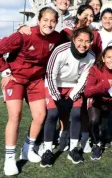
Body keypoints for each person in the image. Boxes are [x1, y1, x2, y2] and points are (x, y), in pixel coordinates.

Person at [0, 7, 62, 176]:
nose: (49, 24)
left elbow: (73, 40)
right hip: (16, 78)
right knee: (15, 115)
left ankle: (27, 149)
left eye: (52, 21)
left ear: (56, 23)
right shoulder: (24, 34)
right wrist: (5, 72)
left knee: (40, 116)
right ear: (38, 20)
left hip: (36, 80)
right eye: (45, 20)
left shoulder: (57, 37)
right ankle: (9, 159)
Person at [40, 27, 96, 167]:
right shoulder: (60, 51)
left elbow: (83, 80)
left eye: (87, 41)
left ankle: (73, 148)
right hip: (55, 85)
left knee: (76, 114)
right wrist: (58, 99)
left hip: (73, 87)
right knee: (52, 114)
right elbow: (50, 75)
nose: (83, 44)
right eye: (80, 40)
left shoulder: (91, 57)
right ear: (73, 39)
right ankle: (47, 150)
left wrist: (71, 98)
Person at [84, 46, 112, 160]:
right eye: (108, 57)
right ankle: (95, 144)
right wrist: (105, 84)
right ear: (103, 58)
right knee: (94, 120)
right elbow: (88, 92)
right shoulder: (95, 69)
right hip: (97, 99)